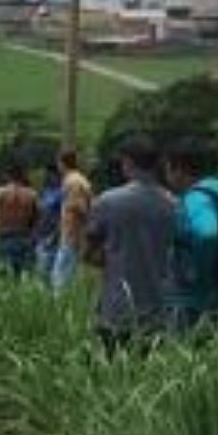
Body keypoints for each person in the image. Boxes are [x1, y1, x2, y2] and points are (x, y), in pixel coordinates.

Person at [85, 138, 177, 352]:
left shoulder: (108, 201)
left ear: (127, 163)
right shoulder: (174, 205)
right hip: (159, 312)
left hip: (117, 309)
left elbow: (89, 252)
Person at [164, 142, 218, 331]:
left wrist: (199, 273)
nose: (167, 177)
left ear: (178, 170)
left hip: (195, 303)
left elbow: (207, 234)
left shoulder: (196, 199)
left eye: (168, 170)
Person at [0, 164, 39, 277]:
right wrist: (33, 233)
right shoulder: (31, 194)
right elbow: (38, 216)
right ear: (22, 176)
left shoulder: (1, 192)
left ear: (8, 176)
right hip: (24, 236)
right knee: (20, 273)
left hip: (5, 236)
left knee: (1, 272)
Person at [52, 150, 93, 291]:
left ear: (62, 163)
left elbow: (79, 207)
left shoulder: (73, 181)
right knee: (66, 273)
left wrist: (78, 229)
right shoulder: (78, 179)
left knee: (61, 277)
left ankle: (61, 308)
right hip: (72, 233)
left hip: (72, 234)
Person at [33, 164, 64, 280]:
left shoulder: (62, 192)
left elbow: (63, 217)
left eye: (51, 174)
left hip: (54, 238)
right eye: (47, 174)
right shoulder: (44, 192)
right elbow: (39, 215)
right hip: (41, 237)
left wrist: (55, 235)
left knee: (52, 275)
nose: (48, 177)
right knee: (41, 275)